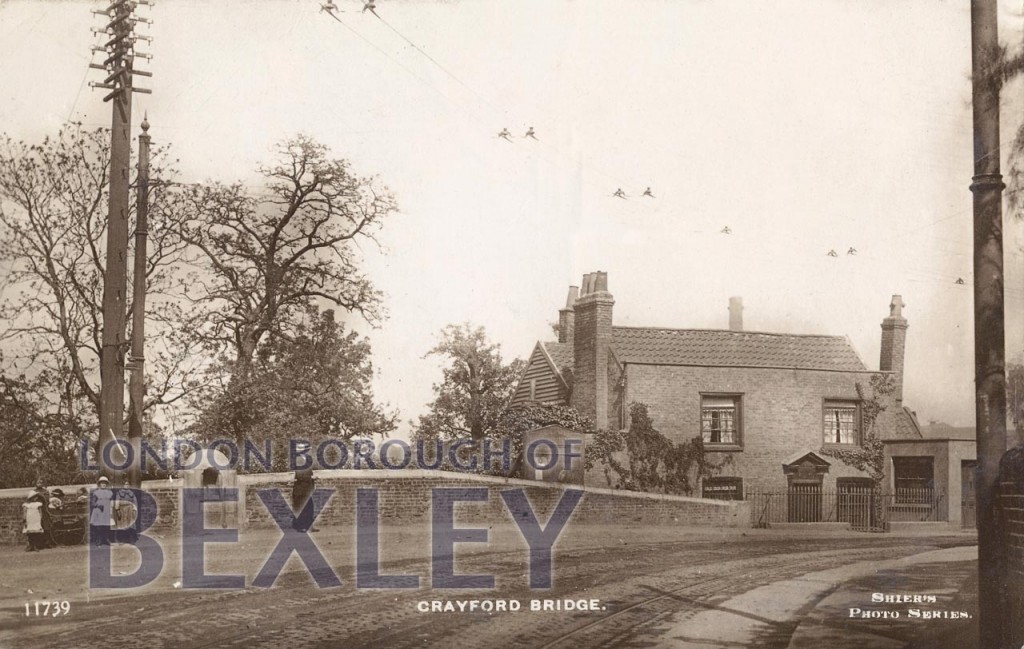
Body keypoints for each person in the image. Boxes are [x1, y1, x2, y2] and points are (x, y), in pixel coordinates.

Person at [292, 443, 316, 532]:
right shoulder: (298, 459)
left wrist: (312, 478)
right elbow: (299, 475)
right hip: (301, 487)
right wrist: (310, 478)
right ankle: (300, 526)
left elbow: (309, 472)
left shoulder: (306, 459)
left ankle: (307, 526)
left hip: (306, 487)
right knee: (302, 507)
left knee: (308, 507)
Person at [89, 476, 113, 547]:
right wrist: (98, 505)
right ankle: (99, 540)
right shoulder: (96, 492)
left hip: (107, 510)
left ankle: (106, 539)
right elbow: (93, 502)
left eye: (105, 483)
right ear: (99, 484)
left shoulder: (110, 492)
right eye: (102, 483)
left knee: (107, 525)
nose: (103, 484)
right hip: (99, 510)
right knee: (99, 526)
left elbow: (112, 501)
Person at [114, 478, 138, 543]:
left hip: (129, 510)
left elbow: (135, 502)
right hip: (122, 510)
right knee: (122, 524)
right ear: (122, 485)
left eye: (127, 484)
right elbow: (117, 502)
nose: (126, 486)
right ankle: (122, 539)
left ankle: (130, 539)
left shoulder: (131, 493)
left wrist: (134, 509)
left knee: (130, 524)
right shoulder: (119, 493)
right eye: (125, 484)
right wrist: (117, 510)